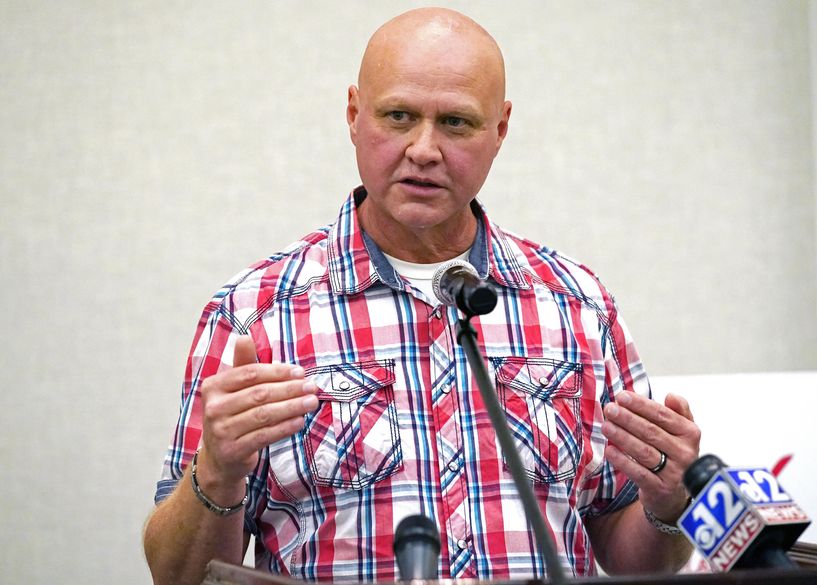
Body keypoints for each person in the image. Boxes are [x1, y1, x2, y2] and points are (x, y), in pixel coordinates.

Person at [143, 7, 701, 585]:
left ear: (500, 130)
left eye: (456, 123)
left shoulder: (578, 308)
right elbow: (176, 576)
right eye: (399, 116)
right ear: (355, 114)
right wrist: (218, 474)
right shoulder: (254, 316)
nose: (424, 149)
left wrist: (667, 507)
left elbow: (629, 552)